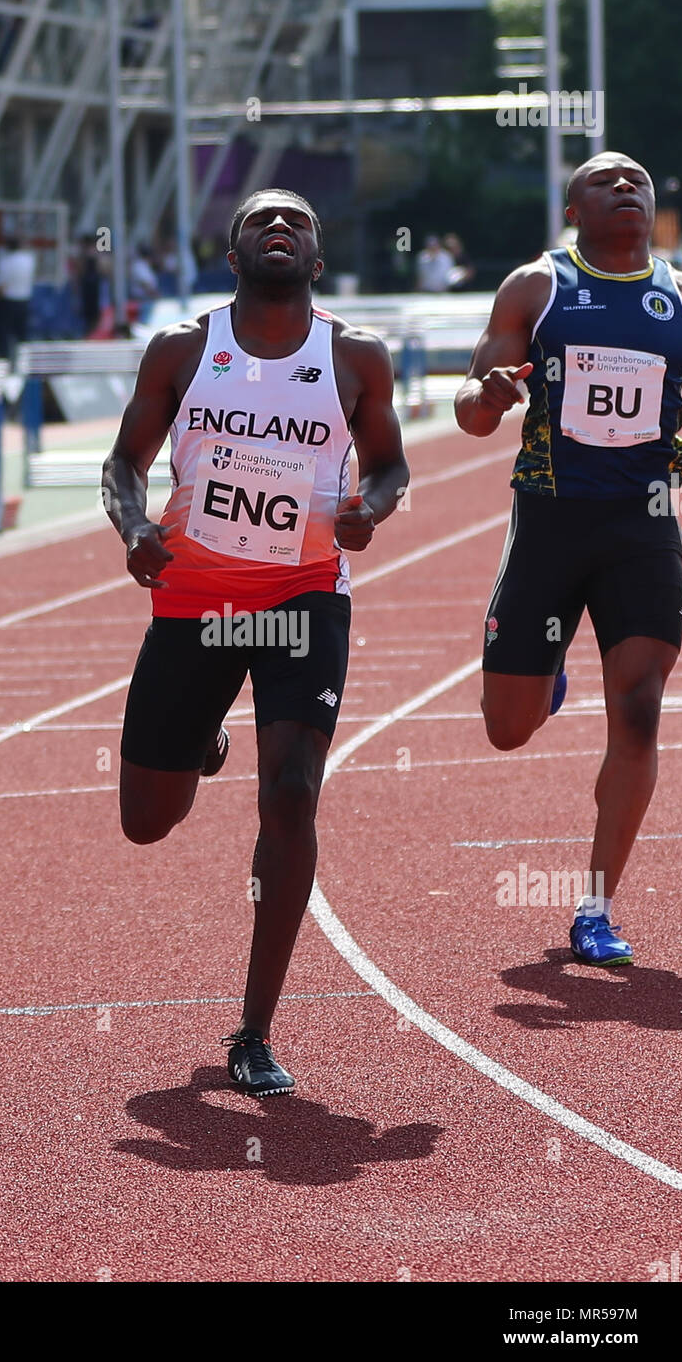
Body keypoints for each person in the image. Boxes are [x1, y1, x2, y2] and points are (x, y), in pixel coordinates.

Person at [104, 188, 409, 1095]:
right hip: (195, 602)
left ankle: (255, 1030)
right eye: (259, 221)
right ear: (230, 255)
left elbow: (391, 464)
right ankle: (202, 741)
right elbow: (124, 463)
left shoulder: (353, 356)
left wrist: (371, 509)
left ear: (316, 259)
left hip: (303, 598)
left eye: (299, 222)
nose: (280, 227)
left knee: (291, 797)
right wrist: (132, 532)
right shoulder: (183, 351)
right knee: (146, 823)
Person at [454, 152, 682, 968]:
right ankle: (541, 681)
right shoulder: (537, 287)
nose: (626, 186)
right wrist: (488, 396)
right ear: (571, 209)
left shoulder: (681, 296)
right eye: (604, 180)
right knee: (506, 729)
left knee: (640, 708)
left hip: (645, 527)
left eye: (638, 181)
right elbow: (471, 409)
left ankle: (595, 906)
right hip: (551, 524)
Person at [0, 235, 35, 358]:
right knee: (22, 335)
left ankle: (5, 359)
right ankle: (22, 361)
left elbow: (1, 287)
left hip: (8, 301)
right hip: (24, 300)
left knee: (4, 334)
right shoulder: (29, 259)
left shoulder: (4, 262)